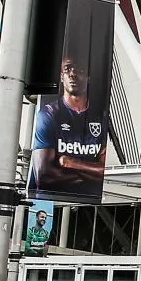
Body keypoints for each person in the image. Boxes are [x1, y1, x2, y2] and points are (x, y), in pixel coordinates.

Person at [31, 54, 108, 199]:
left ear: (88, 77)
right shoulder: (49, 114)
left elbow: (106, 172)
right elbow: (44, 177)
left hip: (90, 201)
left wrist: (72, 163)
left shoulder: (101, 117)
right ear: (61, 77)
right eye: (68, 69)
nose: (73, 74)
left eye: (79, 70)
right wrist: (91, 173)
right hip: (52, 202)